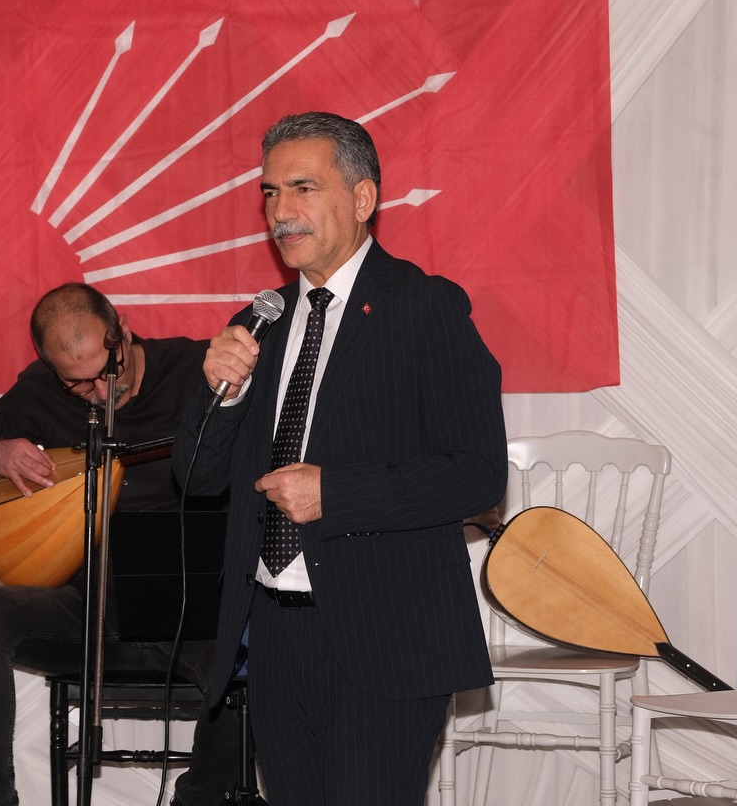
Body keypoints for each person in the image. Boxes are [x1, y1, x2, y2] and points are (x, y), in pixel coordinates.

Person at [174, 112, 507, 806]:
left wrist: (338, 493)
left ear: (362, 199)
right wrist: (222, 395)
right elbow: (196, 477)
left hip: (386, 635)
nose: (281, 212)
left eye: (303, 188)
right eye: (269, 193)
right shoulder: (259, 322)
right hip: (272, 635)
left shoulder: (426, 307)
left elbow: (478, 475)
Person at [0, 282, 243, 806]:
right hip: (91, 605)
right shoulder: (39, 393)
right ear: (51, 369)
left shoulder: (195, 371)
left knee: (255, 658)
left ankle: (196, 801)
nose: (100, 392)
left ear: (122, 332)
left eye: (107, 371)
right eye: (77, 384)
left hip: (191, 608)